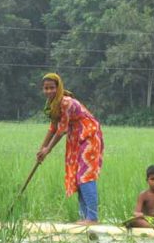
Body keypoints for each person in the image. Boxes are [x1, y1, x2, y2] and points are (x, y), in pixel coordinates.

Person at [36, 73, 104, 225]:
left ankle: (92, 218)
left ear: (58, 87)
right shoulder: (51, 104)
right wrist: (42, 149)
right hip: (75, 139)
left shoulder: (65, 102)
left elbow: (61, 130)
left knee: (85, 175)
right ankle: (84, 216)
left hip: (89, 136)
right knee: (76, 176)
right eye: (46, 88)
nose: (49, 91)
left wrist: (48, 150)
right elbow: (53, 127)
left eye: (52, 88)